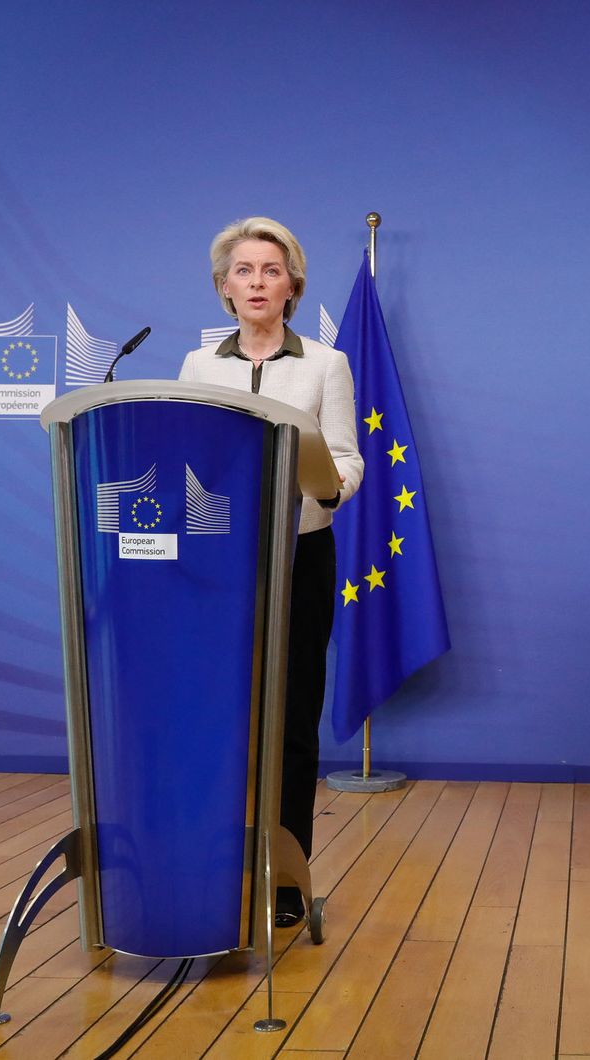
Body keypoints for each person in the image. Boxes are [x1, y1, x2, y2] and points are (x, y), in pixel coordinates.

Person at [179, 217, 363, 926]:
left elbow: (347, 459)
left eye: (271, 270)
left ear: (293, 286)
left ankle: (287, 876)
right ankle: (217, 862)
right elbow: (192, 454)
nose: (257, 282)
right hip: (219, 560)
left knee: (290, 720)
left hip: (301, 555)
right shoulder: (200, 368)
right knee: (222, 714)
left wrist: (324, 488)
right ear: (225, 287)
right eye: (244, 271)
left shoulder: (324, 364)